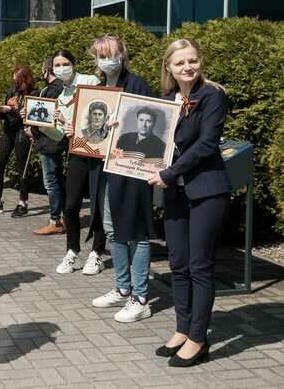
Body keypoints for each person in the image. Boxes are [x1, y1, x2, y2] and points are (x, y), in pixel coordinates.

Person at [149, 38, 231, 367]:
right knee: (178, 263)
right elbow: (154, 139)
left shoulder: (212, 95)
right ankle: (182, 329)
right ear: (168, 67)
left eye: (192, 60)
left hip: (206, 190)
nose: (187, 67)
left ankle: (199, 338)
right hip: (176, 193)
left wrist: (169, 173)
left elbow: (207, 144)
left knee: (199, 266)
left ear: (200, 62)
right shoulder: (167, 100)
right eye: (180, 62)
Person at [87, 35, 156, 323]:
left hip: (133, 170)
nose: (107, 60)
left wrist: (124, 122)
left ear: (122, 55)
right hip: (106, 169)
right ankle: (122, 286)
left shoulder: (137, 84)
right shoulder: (99, 88)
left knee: (138, 232)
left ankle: (140, 297)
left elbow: (153, 124)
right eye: (101, 56)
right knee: (112, 229)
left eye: (111, 54)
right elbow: (91, 133)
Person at [52, 50, 106, 275]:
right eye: (57, 65)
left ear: (73, 65)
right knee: (71, 205)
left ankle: (97, 253)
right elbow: (59, 136)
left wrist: (76, 124)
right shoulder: (59, 97)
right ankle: (72, 251)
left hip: (97, 151)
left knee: (98, 205)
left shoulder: (89, 81)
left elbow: (102, 110)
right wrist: (41, 122)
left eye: (65, 63)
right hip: (76, 153)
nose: (61, 67)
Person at [0, 65, 36, 217]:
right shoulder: (11, 91)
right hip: (9, 131)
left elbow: (29, 113)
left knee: (22, 167)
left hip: (22, 130)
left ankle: (23, 202)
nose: (15, 83)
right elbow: (5, 113)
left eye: (18, 80)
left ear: (25, 79)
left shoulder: (33, 93)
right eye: (14, 80)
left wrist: (10, 109)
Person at [30, 56, 66, 235]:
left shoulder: (52, 90)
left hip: (49, 142)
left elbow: (44, 119)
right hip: (56, 141)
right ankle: (63, 217)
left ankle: (56, 220)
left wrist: (33, 130)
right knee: (58, 180)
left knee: (51, 182)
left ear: (46, 70)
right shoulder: (62, 87)